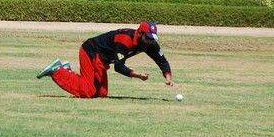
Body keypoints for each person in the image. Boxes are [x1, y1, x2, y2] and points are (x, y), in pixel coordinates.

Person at [36, 20, 173, 98]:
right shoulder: (125, 40)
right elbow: (119, 66)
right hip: (91, 51)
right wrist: (138, 75)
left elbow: (161, 60)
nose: (150, 41)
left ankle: (67, 72)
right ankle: (57, 71)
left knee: (101, 94)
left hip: (101, 60)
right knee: (88, 92)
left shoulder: (148, 43)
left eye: (152, 38)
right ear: (140, 33)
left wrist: (168, 77)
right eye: (148, 38)